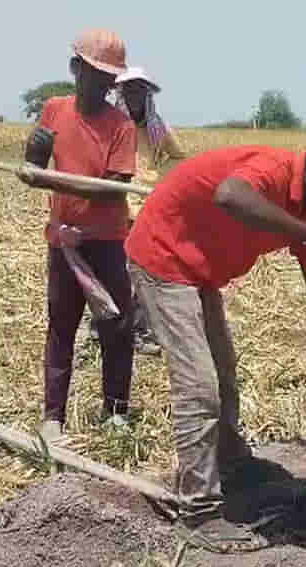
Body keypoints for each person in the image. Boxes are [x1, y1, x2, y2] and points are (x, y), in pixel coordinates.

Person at [125, 130, 306, 549]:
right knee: (198, 387)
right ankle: (200, 511)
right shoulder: (273, 170)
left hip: (199, 271)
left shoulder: (304, 213)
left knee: (224, 372)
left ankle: (230, 464)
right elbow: (229, 195)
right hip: (164, 258)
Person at [18, 28, 137, 445]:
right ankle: (53, 417)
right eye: (94, 74)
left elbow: (113, 187)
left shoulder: (122, 125)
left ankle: (116, 411)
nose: (102, 84)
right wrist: (32, 158)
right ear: (75, 69)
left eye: (108, 78)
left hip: (106, 241)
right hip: (64, 240)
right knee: (61, 326)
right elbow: (34, 171)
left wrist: (55, 180)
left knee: (117, 328)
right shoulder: (53, 110)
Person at [115, 66, 188, 356]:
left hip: (148, 210)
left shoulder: (159, 129)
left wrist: (164, 183)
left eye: (139, 91)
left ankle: (142, 332)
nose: (134, 97)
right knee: (116, 272)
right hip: (117, 206)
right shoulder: (113, 128)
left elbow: (180, 159)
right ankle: (107, 328)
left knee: (146, 273)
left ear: (146, 96)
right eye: (128, 91)